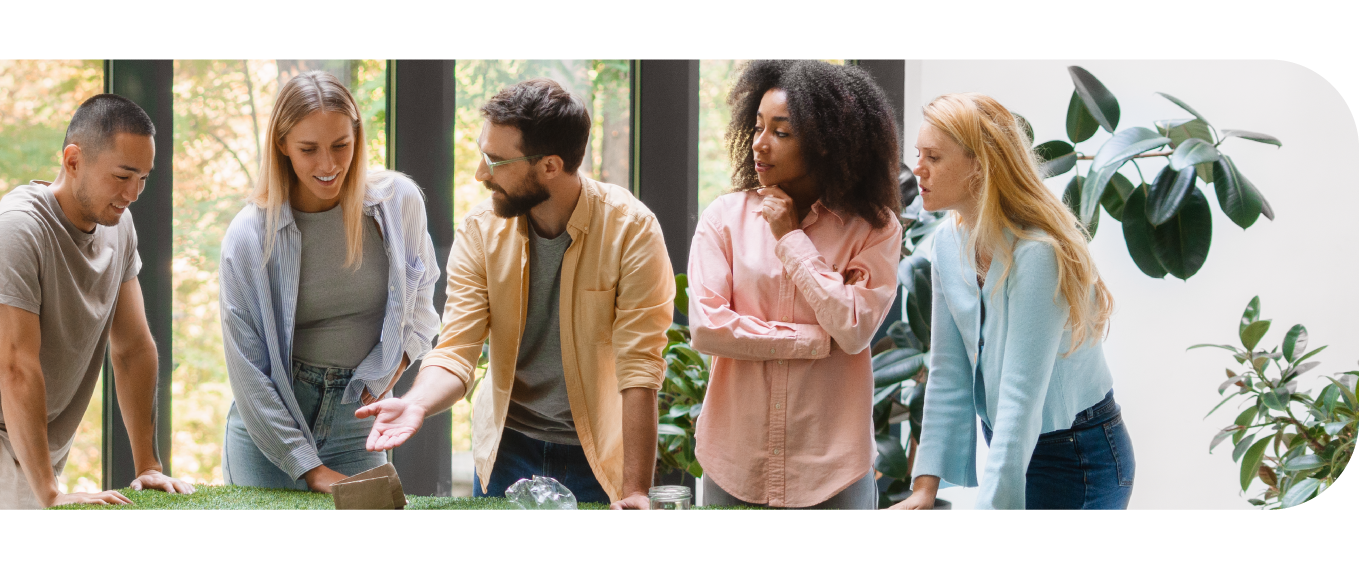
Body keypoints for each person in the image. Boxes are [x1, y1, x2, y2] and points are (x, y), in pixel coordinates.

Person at [356, 79, 674, 509]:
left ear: (550, 166)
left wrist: (636, 490)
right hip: (507, 449)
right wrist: (415, 403)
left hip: (597, 453)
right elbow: (456, 351)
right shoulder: (480, 230)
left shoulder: (632, 230)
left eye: (496, 160)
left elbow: (640, 368)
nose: (480, 173)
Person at [0, 94, 194, 509]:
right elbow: (16, 366)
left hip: (31, 448)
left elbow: (132, 348)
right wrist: (51, 493)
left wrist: (148, 465)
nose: (133, 193)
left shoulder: (118, 224)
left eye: (144, 178)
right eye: (122, 176)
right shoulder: (17, 231)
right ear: (73, 160)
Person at [889, 93, 1132, 510]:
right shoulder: (948, 240)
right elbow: (949, 370)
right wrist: (925, 489)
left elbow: (1020, 398)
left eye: (934, 157)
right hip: (1015, 445)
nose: (919, 171)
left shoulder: (1037, 254)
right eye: (918, 155)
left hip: (1076, 456)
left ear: (978, 167)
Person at [688, 59, 903, 509]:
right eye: (758, 127)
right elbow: (708, 329)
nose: (759, 145)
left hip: (833, 473)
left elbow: (853, 329)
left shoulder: (874, 229)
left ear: (827, 144)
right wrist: (809, 340)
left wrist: (790, 238)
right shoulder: (724, 219)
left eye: (781, 133)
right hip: (735, 465)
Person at [219, 71, 439, 493]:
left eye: (341, 145)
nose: (328, 165)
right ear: (282, 145)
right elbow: (248, 372)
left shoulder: (398, 203)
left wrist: (391, 369)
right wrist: (312, 470)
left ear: (358, 137)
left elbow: (421, 309)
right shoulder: (249, 235)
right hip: (269, 428)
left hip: (356, 421)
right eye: (308, 149)